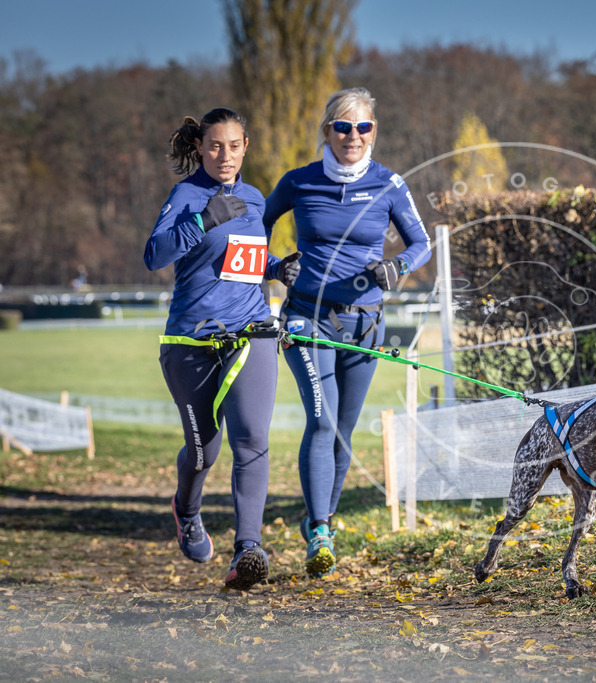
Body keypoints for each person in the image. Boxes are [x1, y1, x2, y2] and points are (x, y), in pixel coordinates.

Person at [263, 87, 431, 577]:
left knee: (343, 431)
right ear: (327, 131)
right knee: (322, 420)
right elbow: (252, 231)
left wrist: (396, 267)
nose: (353, 136)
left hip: (365, 323)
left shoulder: (389, 184)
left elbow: (420, 243)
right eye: (343, 126)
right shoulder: (298, 182)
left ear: (373, 131)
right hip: (307, 319)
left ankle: (325, 521)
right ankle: (318, 529)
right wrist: (275, 266)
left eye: (363, 127)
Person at [144, 107, 301, 591]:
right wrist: (202, 218)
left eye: (234, 146)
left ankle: (248, 549)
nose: (225, 156)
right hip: (191, 341)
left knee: (252, 439)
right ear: (200, 147)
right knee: (203, 449)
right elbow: (155, 255)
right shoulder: (186, 195)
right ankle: (186, 512)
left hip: (250, 330)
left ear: (245, 146)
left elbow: (243, 259)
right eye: (215, 146)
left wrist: (275, 269)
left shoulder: (254, 198)